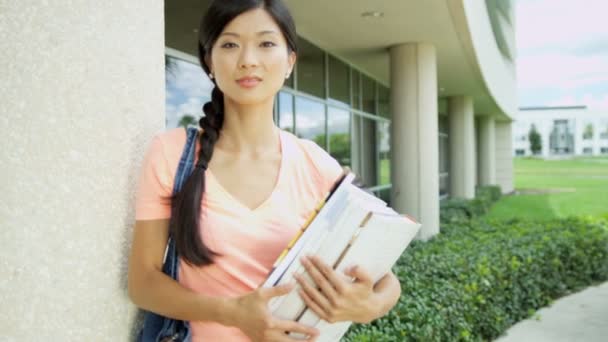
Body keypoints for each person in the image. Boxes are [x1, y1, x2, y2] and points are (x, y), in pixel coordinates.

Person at [127, 0, 401, 341]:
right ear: (209, 61)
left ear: (289, 62)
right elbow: (143, 282)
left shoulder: (316, 164)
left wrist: (372, 305)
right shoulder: (171, 154)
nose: (248, 60)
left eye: (266, 43)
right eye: (229, 44)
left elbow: (385, 274)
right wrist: (232, 313)